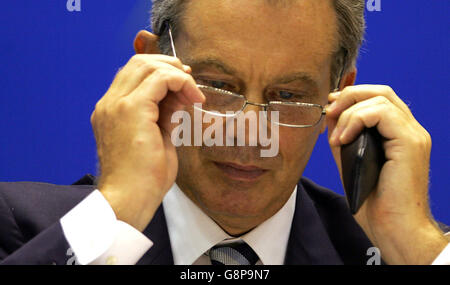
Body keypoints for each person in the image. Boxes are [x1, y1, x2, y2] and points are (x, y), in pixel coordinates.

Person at [0, 0, 449, 265]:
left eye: (288, 95)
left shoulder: (382, 254)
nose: (249, 131)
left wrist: (416, 248)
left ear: (339, 94)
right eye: (217, 85)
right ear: (149, 67)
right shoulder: (25, 229)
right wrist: (117, 212)